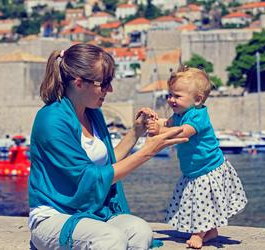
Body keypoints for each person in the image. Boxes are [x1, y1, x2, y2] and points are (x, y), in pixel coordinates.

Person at [28, 43, 188, 250]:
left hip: (91, 212)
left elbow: (107, 164)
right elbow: (90, 178)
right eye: (103, 83)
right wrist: (148, 151)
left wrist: (135, 133)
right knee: (110, 239)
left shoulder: (92, 113)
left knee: (140, 231)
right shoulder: (52, 120)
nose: (109, 89)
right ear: (78, 83)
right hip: (54, 216)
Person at [146, 66, 247, 249]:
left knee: (202, 203)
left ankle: (198, 235)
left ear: (198, 99)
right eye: (170, 95)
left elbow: (184, 132)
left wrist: (160, 130)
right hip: (194, 170)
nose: (171, 100)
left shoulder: (198, 116)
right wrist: (154, 121)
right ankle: (211, 231)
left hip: (208, 168)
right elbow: (168, 123)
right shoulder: (180, 114)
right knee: (197, 201)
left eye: (177, 96)